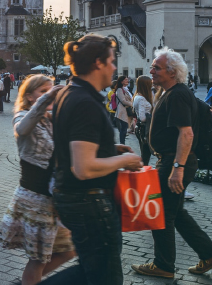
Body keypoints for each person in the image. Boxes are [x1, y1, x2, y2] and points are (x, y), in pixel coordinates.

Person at [41, 35, 143, 284]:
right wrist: (125, 162)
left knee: (93, 272)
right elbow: (84, 167)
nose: (114, 68)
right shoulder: (84, 102)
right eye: (111, 61)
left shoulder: (70, 93)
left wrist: (110, 149)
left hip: (77, 199)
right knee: (103, 277)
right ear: (98, 63)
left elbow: (75, 143)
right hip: (89, 201)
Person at [131, 48, 212, 279]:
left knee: (160, 213)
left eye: (157, 67)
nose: (151, 70)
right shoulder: (168, 92)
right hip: (171, 161)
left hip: (174, 161)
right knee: (177, 213)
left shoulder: (178, 94)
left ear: (172, 72)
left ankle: (163, 265)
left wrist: (177, 168)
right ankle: (210, 254)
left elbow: (187, 134)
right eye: (152, 66)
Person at [0, 75, 75, 285]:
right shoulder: (22, 116)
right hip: (35, 197)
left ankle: (26, 282)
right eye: (42, 91)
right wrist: (47, 98)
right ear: (30, 97)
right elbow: (21, 129)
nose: (49, 95)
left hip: (53, 197)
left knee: (68, 250)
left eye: (50, 90)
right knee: (38, 260)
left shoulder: (52, 119)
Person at [132, 75, 154, 165]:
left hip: (140, 127)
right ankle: (143, 173)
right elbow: (142, 117)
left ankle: (143, 170)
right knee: (145, 154)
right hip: (144, 128)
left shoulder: (137, 96)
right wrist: (150, 116)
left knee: (145, 153)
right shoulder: (141, 99)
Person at [114, 76, 133, 144]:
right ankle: (122, 143)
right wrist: (132, 103)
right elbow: (123, 101)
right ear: (121, 81)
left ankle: (123, 143)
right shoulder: (119, 89)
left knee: (125, 128)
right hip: (122, 110)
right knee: (123, 128)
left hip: (126, 110)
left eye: (127, 79)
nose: (127, 80)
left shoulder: (125, 89)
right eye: (125, 79)